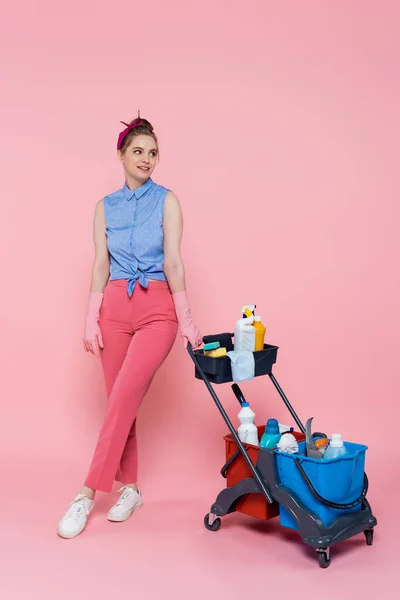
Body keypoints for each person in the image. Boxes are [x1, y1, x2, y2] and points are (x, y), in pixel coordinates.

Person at [58, 115, 203, 539]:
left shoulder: (168, 200)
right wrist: (90, 316)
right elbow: (101, 263)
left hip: (158, 308)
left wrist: (188, 321)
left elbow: (174, 260)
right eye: (138, 151)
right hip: (114, 310)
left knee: (123, 396)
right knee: (122, 402)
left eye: (153, 153)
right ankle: (131, 488)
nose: (146, 159)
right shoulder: (105, 206)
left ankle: (86, 494)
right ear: (121, 155)